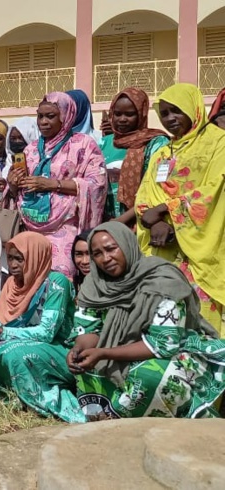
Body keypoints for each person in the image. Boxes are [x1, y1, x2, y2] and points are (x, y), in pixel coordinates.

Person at [69, 222, 225, 419]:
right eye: (97, 254)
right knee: (85, 366)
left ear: (127, 244)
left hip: (173, 354)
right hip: (116, 351)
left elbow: (163, 346)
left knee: (151, 376)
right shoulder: (95, 284)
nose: (105, 259)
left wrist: (102, 353)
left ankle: (122, 419)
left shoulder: (162, 280)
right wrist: (78, 350)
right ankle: (103, 423)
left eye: (111, 249)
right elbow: (88, 329)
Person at [0, 232, 83, 423]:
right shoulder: (12, 284)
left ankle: (48, 404)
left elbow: (47, 332)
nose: (13, 265)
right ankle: (12, 396)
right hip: (23, 341)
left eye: (20, 259)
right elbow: (2, 322)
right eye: (10, 258)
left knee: (16, 356)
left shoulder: (56, 283)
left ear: (35, 257)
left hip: (60, 348)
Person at [135, 83, 225, 335]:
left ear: (193, 108)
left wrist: (168, 210)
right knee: (166, 313)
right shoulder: (163, 151)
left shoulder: (218, 143)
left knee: (201, 315)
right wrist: (155, 222)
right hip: (163, 246)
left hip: (201, 248)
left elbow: (216, 186)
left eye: (176, 110)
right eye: (164, 113)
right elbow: (145, 193)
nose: (170, 119)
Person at [7, 92, 106, 278]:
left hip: (64, 226)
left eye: (50, 116)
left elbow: (97, 183)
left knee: (60, 276)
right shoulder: (30, 149)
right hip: (30, 227)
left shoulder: (83, 145)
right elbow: (17, 193)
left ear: (65, 116)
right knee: (29, 278)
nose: (43, 122)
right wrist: (12, 184)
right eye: (40, 116)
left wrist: (52, 184)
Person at [98, 88, 168, 224]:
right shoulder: (104, 142)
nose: (122, 119)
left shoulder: (156, 143)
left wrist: (122, 220)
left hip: (142, 219)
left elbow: (156, 185)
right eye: (117, 114)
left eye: (129, 114)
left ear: (141, 114)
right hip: (105, 220)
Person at [71, 230, 91, 294]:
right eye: (79, 254)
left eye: (90, 254)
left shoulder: (114, 286)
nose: (84, 261)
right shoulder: (74, 285)